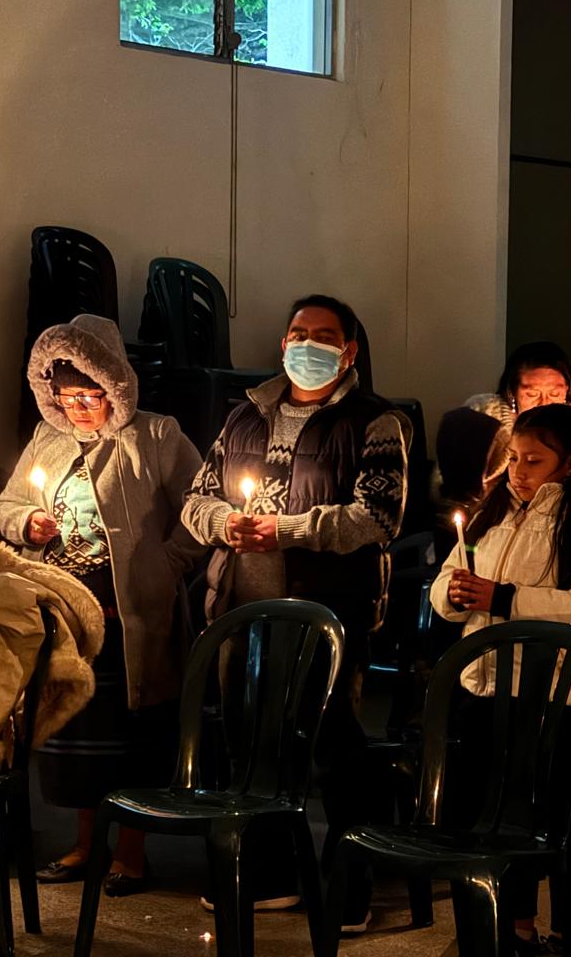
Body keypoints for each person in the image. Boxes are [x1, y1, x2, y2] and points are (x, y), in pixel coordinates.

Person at [181, 294, 410, 930]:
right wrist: (223, 522)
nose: (309, 344)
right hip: (242, 608)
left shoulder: (376, 422)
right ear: (283, 344)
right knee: (252, 745)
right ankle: (270, 876)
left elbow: (378, 517)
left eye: (325, 336)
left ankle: (349, 885)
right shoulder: (244, 416)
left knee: (334, 747)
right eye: (299, 333)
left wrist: (287, 530)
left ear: (350, 350)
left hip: (327, 610)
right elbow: (196, 499)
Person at [0, 313, 204, 898]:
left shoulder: (155, 436)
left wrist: (168, 563)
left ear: (115, 386)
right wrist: (27, 523)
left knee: (128, 741)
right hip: (67, 621)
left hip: (129, 619)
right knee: (78, 741)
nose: (81, 408)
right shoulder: (49, 439)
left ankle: (130, 854)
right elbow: (8, 502)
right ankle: (87, 845)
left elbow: (200, 505)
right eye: (68, 398)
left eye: (91, 396)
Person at [431, 403, 571, 955]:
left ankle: (518, 927)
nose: (518, 471)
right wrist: (453, 594)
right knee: (477, 811)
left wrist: (505, 598)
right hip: (483, 685)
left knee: (525, 814)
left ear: (569, 463)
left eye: (533, 460)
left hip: (548, 696)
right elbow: (447, 578)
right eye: (514, 457)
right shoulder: (496, 508)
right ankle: (482, 924)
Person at [461, 341, 571, 483]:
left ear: (567, 391)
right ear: (512, 392)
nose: (544, 403)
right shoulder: (487, 416)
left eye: (555, 394)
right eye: (532, 394)